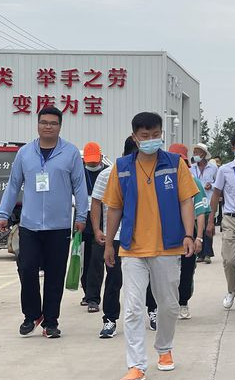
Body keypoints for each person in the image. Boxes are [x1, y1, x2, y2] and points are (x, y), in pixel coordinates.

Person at [103, 112, 199, 380]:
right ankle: (136, 365)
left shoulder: (175, 164)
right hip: (132, 248)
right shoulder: (122, 167)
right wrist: (109, 243)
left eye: (155, 135)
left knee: (168, 305)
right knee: (133, 307)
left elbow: (186, 201)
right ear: (135, 137)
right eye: (145, 136)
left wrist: (188, 234)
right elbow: (114, 208)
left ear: (161, 134)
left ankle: (164, 348)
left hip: (167, 246)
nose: (150, 140)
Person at [0, 106, 88, 338]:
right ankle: (32, 315)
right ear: (38, 124)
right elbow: (13, 185)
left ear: (60, 126)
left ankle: (50, 322)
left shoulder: (70, 153)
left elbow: (80, 187)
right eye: (44, 122)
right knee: (26, 269)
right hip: (29, 225)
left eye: (53, 123)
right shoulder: (25, 153)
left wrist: (81, 216)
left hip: (59, 226)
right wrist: (3, 213)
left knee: (54, 275)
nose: (48, 126)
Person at [146, 143, 211, 322]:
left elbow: (200, 211)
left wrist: (198, 237)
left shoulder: (193, 182)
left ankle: (183, 302)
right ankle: (156, 306)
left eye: (181, 161)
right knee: (158, 273)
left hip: (186, 236)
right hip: (162, 236)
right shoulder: (156, 179)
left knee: (186, 271)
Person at [90, 137, 138, 338]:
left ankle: (153, 311)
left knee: (149, 279)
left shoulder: (147, 173)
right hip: (116, 235)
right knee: (114, 279)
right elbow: (96, 203)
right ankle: (109, 319)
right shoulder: (108, 174)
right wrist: (97, 230)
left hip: (143, 235)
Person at [207, 131, 235, 313]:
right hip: (230, 218)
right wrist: (211, 220)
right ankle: (230, 290)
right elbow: (216, 195)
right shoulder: (224, 170)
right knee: (229, 260)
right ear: (233, 148)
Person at [82, 141, 109, 313]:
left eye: (94, 161)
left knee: (96, 259)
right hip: (83, 219)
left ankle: (93, 298)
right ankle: (87, 293)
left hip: (102, 220)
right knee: (85, 259)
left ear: (100, 156)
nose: (92, 164)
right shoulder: (79, 172)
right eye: (89, 161)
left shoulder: (107, 172)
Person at [191, 142, 217, 264]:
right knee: (198, 226)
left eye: (198, 152)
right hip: (196, 200)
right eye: (194, 152)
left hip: (208, 199)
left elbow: (218, 183)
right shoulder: (192, 168)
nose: (195, 154)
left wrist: (211, 185)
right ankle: (199, 253)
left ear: (204, 154)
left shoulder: (213, 168)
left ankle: (207, 253)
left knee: (208, 227)